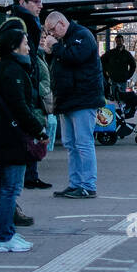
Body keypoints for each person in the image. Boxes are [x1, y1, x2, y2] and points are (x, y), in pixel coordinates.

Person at [0, 23, 47, 252]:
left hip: (5, 133)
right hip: (13, 136)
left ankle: (8, 233)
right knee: (10, 190)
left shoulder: (1, 67)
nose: (29, 48)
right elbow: (20, 106)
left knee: (8, 188)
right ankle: (4, 237)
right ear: (14, 46)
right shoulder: (12, 71)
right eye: (25, 43)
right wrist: (38, 130)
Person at [41, 11, 102, 198]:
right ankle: (75, 183)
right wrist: (51, 52)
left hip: (83, 99)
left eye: (52, 30)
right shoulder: (64, 41)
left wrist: (56, 48)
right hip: (67, 99)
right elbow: (61, 63)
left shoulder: (82, 35)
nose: (52, 35)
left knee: (83, 143)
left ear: (61, 23)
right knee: (70, 144)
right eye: (48, 33)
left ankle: (88, 185)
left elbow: (75, 58)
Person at [5, 0, 52, 194]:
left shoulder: (30, 22)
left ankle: (30, 175)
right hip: (22, 86)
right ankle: (24, 178)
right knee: (28, 130)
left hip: (27, 84)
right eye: (36, 2)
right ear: (22, 2)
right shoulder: (19, 24)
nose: (40, 6)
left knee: (32, 128)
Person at [102, 34, 137, 100]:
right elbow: (102, 61)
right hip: (113, 79)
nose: (119, 42)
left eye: (120, 41)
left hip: (122, 80)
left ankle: (120, 109)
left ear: (123, 41)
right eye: (117, 41)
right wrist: (107, 72)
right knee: (114, 97)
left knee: (121, 97)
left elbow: (133, 65)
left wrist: (127, 75)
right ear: (116, 42)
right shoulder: (111, 53)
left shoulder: (126, 54)